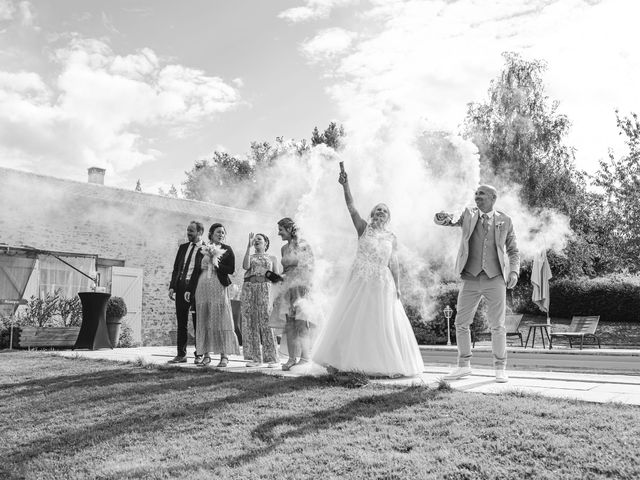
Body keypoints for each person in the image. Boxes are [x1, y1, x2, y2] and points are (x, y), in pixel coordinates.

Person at [312, 168, 424, 377]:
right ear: (372, 214)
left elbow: (394, 263)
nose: (381, 212)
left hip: (383, 282)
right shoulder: (363, 228)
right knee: (352, 319)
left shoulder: (392, 237)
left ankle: (381, 364)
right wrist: (346, 185)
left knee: (380, 321)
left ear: (388, 217)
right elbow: (351, 207)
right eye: (378, 210)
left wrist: (398, 287)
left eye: (384, 211)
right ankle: (339, 361)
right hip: (360, 279)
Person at [434, 184, 520, 383]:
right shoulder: (467, 215)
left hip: (495, 278)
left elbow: (513, 250)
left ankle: (500, 368)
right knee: (460, 323)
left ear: (493, 198)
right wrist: (442, 216)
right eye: (476, 193)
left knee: (497, 325)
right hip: (470, 277)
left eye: (481, 193)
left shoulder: (505, 220)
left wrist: (513, 271)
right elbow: (445, 220)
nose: (477, 196)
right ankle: (463, 366)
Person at [186, 223, 240, 367]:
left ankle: (224, 356)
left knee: (221, 318)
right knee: (204, 318)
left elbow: (231, 268)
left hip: (218, 286)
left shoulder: (227, 250)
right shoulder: (202, 249)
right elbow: (196, 271)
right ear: (211, 233)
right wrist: (189, 290)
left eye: (223, 232)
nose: (221, 234)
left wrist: (216, 263)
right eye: (218, 232)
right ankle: (207, 356)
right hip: (202, 286)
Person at [269, 217, 316, 371]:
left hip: (301, 286)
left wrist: (307, 286)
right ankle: (291, 358)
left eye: (281, 230)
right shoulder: (283, 248)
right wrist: (277, 278)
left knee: (302, 322)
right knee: (289, 324)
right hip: (287, 288)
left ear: (289, 229)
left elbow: (311, 266)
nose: (278, 233)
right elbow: (285, 270)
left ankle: (304, 357)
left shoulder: (303, 245)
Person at [240, 232, 280, 368]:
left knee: (267, 322)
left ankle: (272, 358)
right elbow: (245, 267)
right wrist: (247, 247)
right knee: (252, 322)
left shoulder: (273, 258)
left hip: (266, 290)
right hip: (250, 289)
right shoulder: (250, 257)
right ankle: (256, 358)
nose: (256, 241)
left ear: (266, 243)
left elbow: (277, 278)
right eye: (255, 239)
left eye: (259, 239)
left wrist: (276, 295)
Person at [168, 221, 203, 364]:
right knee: (181, 322)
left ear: (200, 232)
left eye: (191, 231)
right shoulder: (183, 247)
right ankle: (181, 354)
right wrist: (172, 286)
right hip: (181, 286)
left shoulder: (206, 248)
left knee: (198, 322)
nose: (188, 233)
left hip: (197, 287)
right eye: (188, 230)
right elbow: (176, 268)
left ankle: (199, 354)